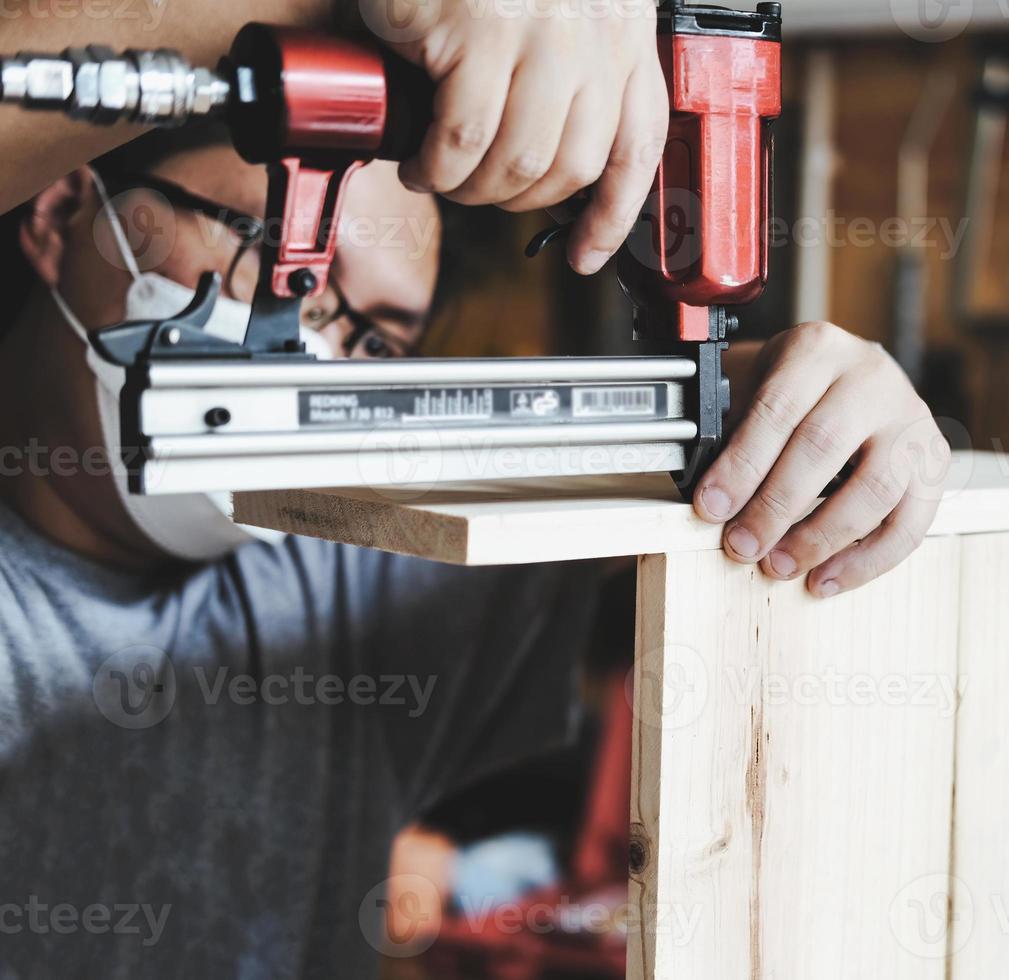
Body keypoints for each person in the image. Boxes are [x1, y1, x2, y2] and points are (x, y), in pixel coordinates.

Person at [0, 2, 950, 975]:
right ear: (63, 210)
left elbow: (728, 450)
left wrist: (830, 407)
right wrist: (338, 9)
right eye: (279, 259)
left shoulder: (346, 574)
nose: (319, 353)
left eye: (375, 341)